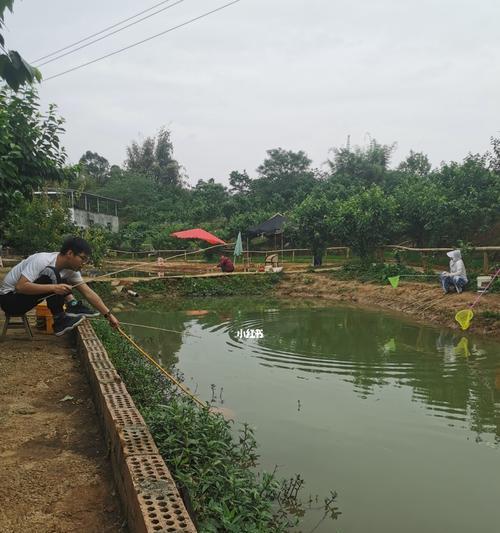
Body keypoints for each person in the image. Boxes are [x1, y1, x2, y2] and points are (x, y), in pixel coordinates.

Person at [0, 236, 120, 336]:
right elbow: (20, 287)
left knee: (59, 276)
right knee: (52, 273)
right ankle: (59, 320)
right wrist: (54, 288)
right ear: (70, 253)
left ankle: (72, 305)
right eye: (82, 258)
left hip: (23, 301)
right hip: (9, 300)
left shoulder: (71, 270)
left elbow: (88, 292)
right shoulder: (42, 260)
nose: (84, 264)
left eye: (86, 261)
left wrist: (108, 315)